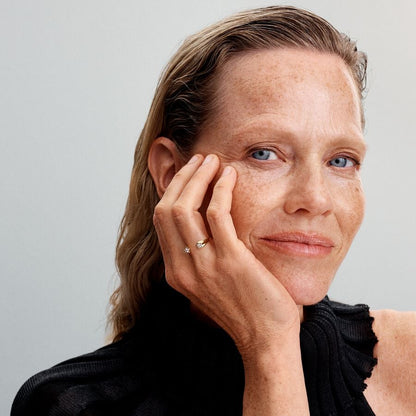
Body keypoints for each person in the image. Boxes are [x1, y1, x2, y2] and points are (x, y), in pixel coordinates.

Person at [11, 5, 416, 416]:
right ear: (172, 173)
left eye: (341, 161)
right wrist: (269, 344)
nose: (315, 199)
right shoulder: (71, 406)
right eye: (264, 153)